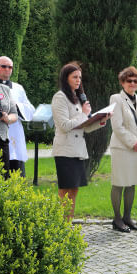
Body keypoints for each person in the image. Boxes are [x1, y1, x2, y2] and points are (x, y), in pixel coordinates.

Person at [52, 63, 109, 219]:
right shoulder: (60, 97)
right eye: (74, 77)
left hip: (77, 150)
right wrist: (84, 113)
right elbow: (65, 126)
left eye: (80, 78)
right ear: (66, 78)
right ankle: (60, 224)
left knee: (74, 190)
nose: (78, 80)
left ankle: (68, 223)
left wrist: (101, 120)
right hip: (65, 150)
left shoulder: (77, 99)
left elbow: (84, 127)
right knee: (65, 190)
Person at [108, 67, 137, 233]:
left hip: (136, 148)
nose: (132, 83)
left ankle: (127, 217)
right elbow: (117, 126)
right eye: (129, 81)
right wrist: (133, 142)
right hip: (122, 148)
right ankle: (117, 219)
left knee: (132, 183)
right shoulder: (116, 99)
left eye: (135, 81)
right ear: (122, 82)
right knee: (119, 183)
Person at [0, 56, 36, 178]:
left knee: (17, 175)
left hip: (14, 134)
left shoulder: (18, 88)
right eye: (4, 66)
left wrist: (16, 107)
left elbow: (30, 109)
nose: (7, 69)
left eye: (10, 67)